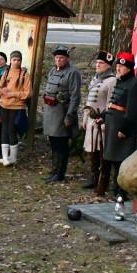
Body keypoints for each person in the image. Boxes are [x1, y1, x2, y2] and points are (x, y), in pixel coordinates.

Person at [102, 53, 137, 200]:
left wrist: (124, 129)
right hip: (113, 124)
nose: (118, 69)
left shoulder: (134, 84)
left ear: (128, 68)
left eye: (121, 66)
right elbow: (115, 103)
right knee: (114, 158)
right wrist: (104, 118)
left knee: (121, 159)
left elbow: (132, 111)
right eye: (117, 66)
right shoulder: (121, 82)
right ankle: (116, 188)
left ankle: (121, 191)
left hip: (121, 126)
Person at [42, 44, 82, 183]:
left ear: (67, 58)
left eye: (61, 57)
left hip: (62, 112)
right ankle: (54, 170)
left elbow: (75, 96)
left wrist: (69, 115)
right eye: (57, 57)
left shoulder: (72, 73)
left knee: (61, 144)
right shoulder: (52, 71)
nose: (58, 60)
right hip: (50, 112)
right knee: (54, 143)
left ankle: (60, 173)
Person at [80, 50, 115, 193]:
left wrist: (105, 119)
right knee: (92, 150)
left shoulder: (112, 81)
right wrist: (85, 118)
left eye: (101, 63)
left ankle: (102, 178)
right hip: (91, 120)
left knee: (101, 151)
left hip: (101, 121)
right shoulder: (95, 78)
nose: (98, 65)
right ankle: (93, 177)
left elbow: (110, 103)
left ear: (108, 66)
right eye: (97, 62)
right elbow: (88, 101)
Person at [0, 50, 32, 167]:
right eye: (14, 60)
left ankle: (13, 157)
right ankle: (5, 157)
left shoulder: (24, 75)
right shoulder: (6, 73)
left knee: (11, 130)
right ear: (10, 61)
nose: (16, 62)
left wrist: (14, 94)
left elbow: (28, 93)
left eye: (18, 60)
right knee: (4, 129)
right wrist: (1, 91)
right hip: (4, 105)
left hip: (16, 106)